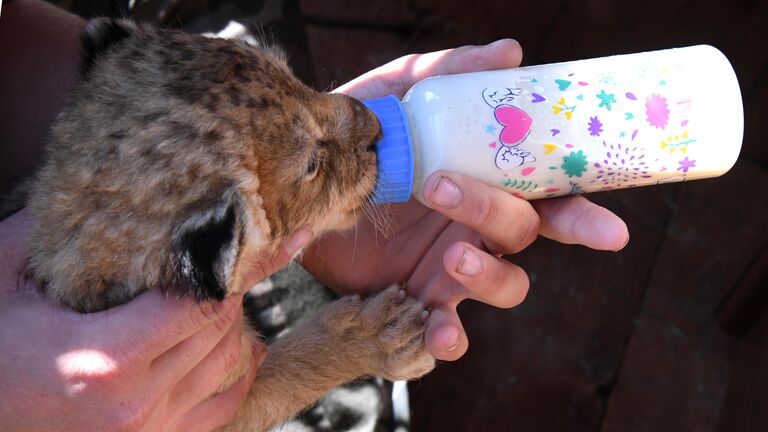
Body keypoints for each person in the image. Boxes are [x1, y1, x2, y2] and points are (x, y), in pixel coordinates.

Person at [0, 1, 630, 430]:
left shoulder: (186, 248)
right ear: (215, 255)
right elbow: (225, 413)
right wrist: (337, 349)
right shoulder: (184, 262)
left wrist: (323, 218)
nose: (357, 118)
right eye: (312, 161)